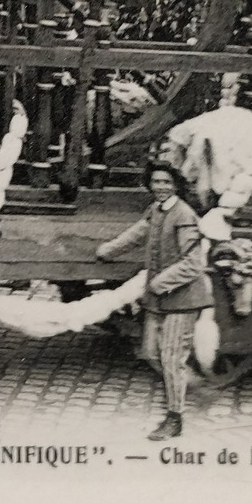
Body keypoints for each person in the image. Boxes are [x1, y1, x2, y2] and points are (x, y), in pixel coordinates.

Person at [95, 162, 209, 441]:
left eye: (166, 182)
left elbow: (194, 263)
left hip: (181, 300)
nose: (160, 187)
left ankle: (175, 418)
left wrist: (158, 283)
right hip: (158, 301)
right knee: (149, 352)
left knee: (170, 358)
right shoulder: (156, 210)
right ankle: (194, 386)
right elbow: (137, 233)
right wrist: (108, 250)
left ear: (176, 185)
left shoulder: (184, 215)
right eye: (156, 182)